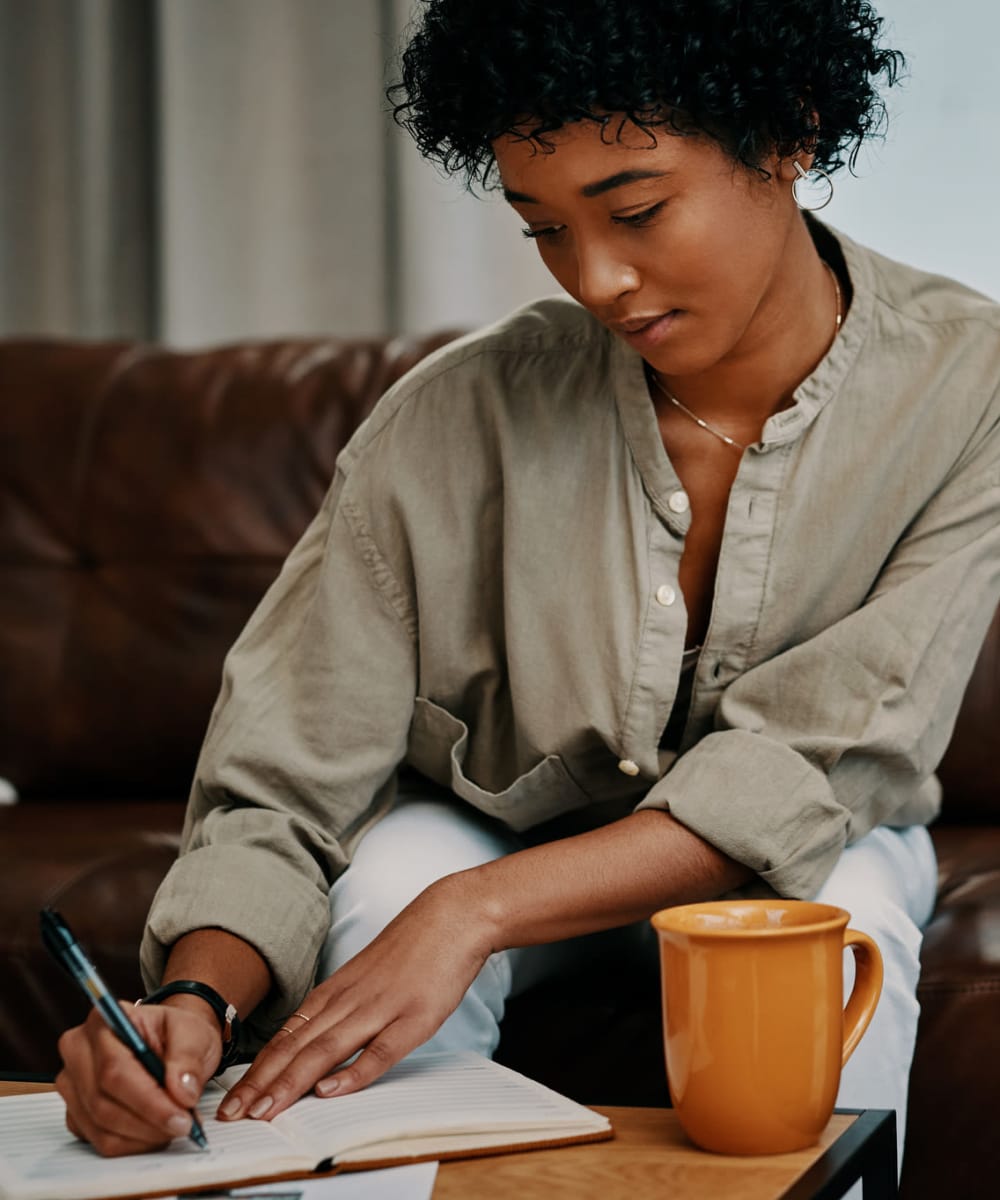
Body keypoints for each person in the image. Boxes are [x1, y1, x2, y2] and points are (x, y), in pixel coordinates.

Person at [56, 0, 1000, 1180]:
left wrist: (476, 910)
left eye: (636, 209)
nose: (597, 278)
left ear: (789, 133)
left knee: (829, 929)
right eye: (544, 227)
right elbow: (282, 775)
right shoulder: (457, 414)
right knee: (390, 884)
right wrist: (192, 1002)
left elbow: (815, 762)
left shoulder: (971, 383)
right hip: (501, 826)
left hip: (816, 845)